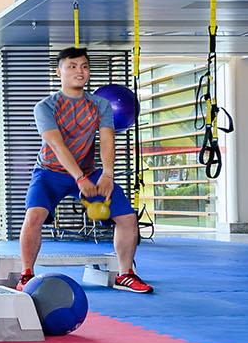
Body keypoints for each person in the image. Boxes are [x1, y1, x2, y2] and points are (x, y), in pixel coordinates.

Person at [18, 47, 152, 294]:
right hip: (49, 172)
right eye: (72, 66)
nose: (80, 71)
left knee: (127, 217)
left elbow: (108, 139)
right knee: (34, 216)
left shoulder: (100, 104)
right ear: (59, 72)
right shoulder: (46, 106)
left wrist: (108, 174)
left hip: (90, 172)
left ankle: (125, 274)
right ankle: (26, 274)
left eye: (84, 66)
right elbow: (56, 144)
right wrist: (79, 178)